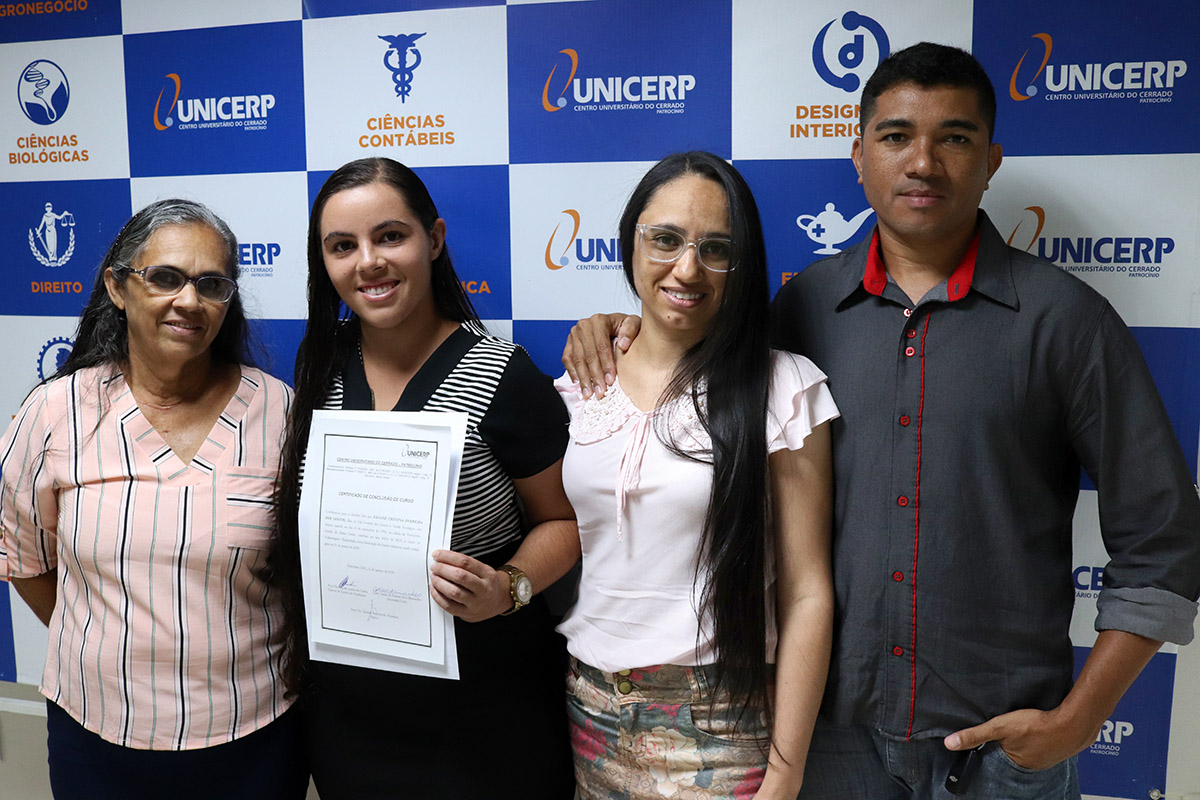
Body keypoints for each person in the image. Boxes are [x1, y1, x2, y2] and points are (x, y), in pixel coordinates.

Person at [563, 44, 1200, 799]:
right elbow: (691, 355)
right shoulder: (800, 309)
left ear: (991, 161)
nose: (923, 162)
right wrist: (615, 329)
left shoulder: (1065, 321)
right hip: (828, 741)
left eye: (954, 138)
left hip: (998, 747)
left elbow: (1163, 542)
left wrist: (1078, 721)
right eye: (896, 136)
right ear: (859, 157)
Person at [271, 156, 577, 799]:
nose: (368, 262)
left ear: (433, 239)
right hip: (351, 718)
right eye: (342, 246)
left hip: (487, 718)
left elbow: (565, 521)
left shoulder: (504, 374)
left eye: (390, 236)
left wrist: (508, 587)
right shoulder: (320, 361)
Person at [0, 199, 306, 800]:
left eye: (211, 284)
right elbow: (28, 561)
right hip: (95, 731)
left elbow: (301, 573)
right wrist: (113, 646)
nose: (189, 301)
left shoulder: (280, 412)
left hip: (253, 734)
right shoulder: (55, 412)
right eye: (165, 277)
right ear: (117, 287)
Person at [556, 151, 836, 799]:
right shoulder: (582, 382)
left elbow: (808, 594)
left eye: (716, 249)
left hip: (722, 724)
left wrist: (786, 773)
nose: (687, 269)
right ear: (630, 241)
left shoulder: (784, 387)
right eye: (666, 239)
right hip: (592, 709)